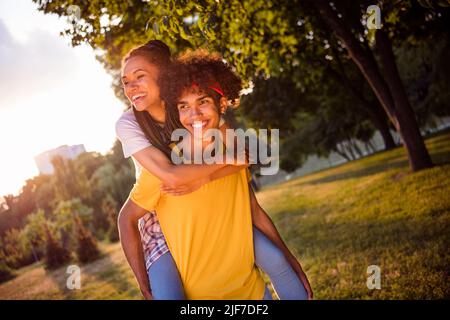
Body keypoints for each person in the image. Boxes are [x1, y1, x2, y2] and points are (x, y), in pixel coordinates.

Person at [116, 41, 312, 299]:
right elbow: (172, 177)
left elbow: (242, 173)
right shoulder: (132, 126)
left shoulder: (198, 118)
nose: (193, 113)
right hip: (158, 211)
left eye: (140, 76)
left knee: (276, 260)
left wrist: (214, 169)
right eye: (126, 81)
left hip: (213, 214)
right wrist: (143, 283)